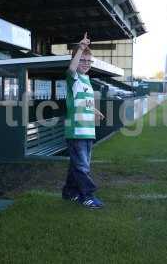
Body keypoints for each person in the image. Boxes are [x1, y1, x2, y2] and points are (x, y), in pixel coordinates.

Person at [62, 33, 105, 209]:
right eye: (82, 60)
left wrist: (96, 111)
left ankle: (69, 192)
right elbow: (71, 69)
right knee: (82, 166)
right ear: (76, 59)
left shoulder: (87, 80)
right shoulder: (74, 78)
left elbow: (86, 103)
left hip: (88, 130)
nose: (86, 64)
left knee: (77, 164)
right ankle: (87, 195)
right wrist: (80, 48)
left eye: (89, 61)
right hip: (76, 131)